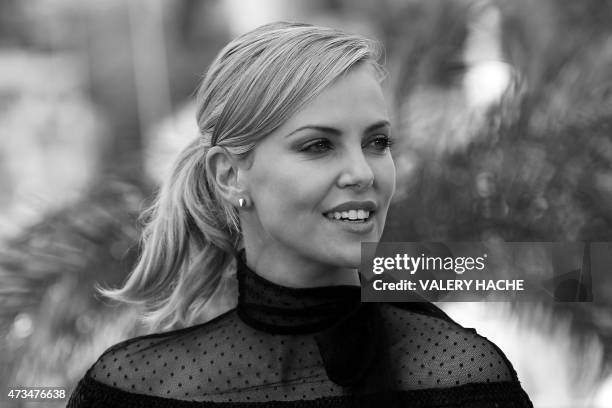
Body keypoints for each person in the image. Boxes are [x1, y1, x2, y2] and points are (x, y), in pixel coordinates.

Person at [67, 22, 533, 407]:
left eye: (377, 142)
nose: (361, 173)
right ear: (230, 175)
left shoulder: (461, 378)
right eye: (318, 145)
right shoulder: (127, 390)